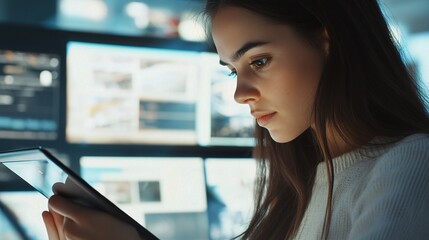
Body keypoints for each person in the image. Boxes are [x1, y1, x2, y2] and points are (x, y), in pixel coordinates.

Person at [43, 0, 429, 239]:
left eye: (258, 61)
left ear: (328, 43)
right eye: (233, 70)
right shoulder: (305, 179)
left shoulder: (412, 164)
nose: (240, 93)